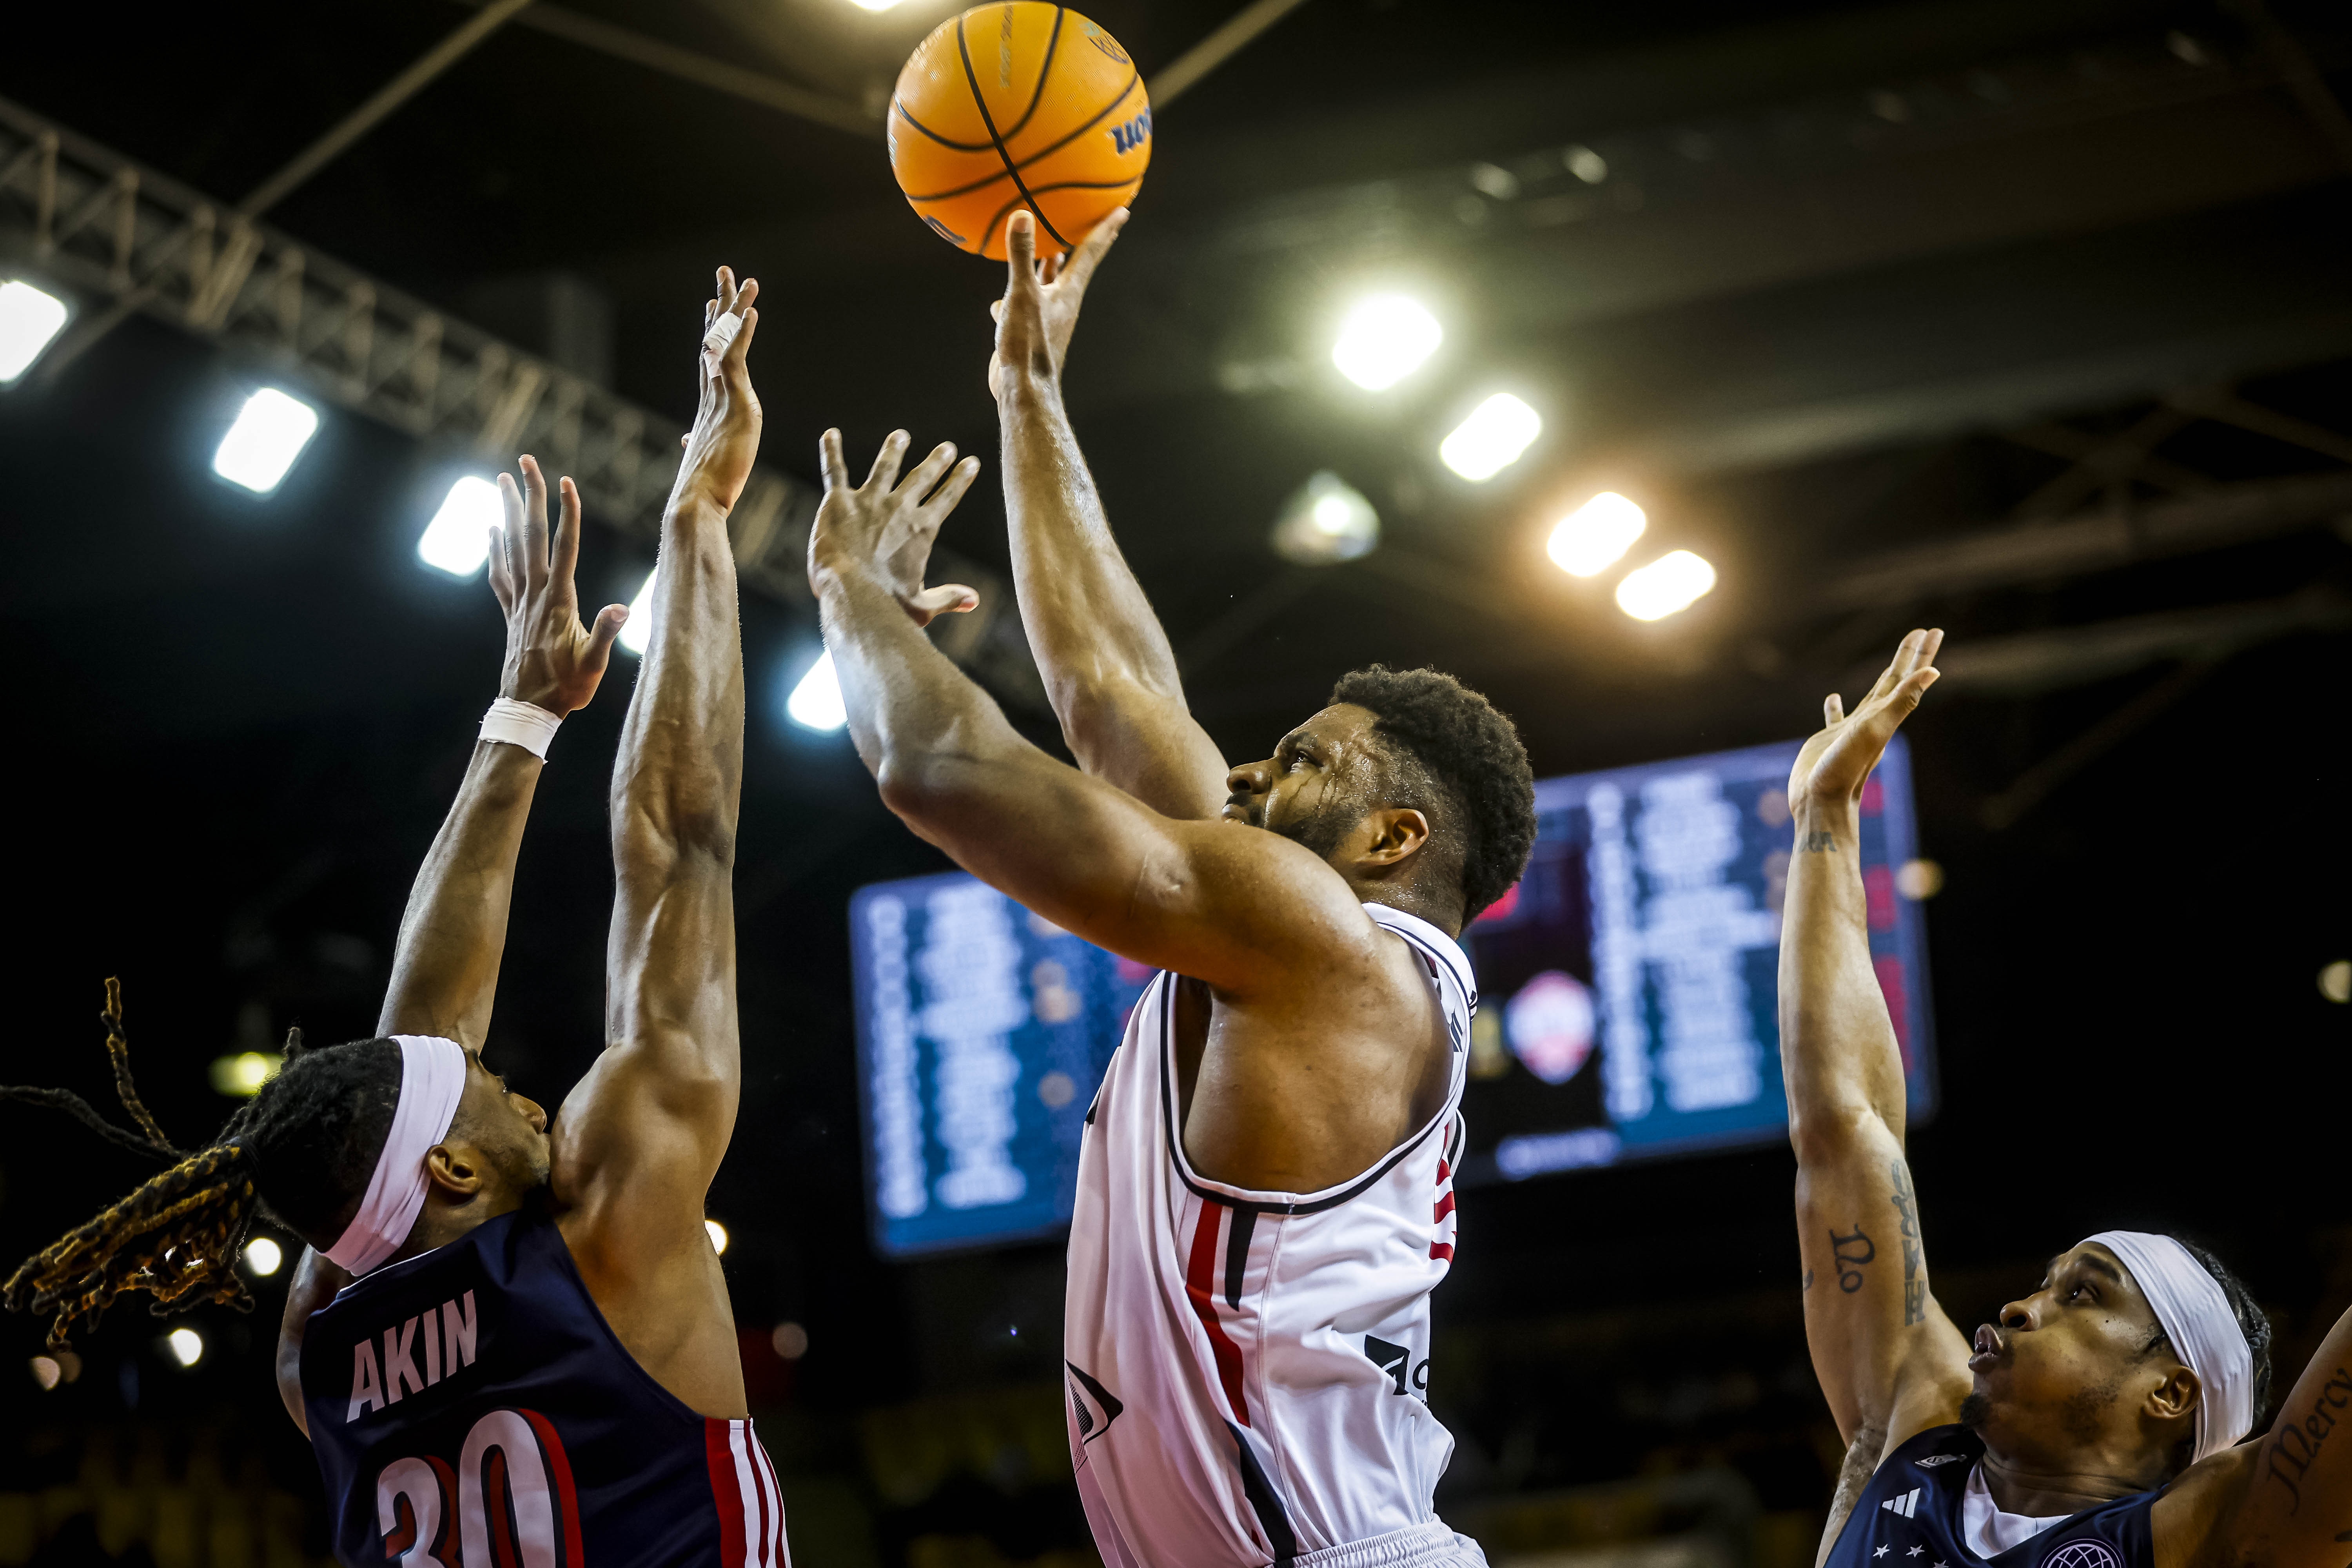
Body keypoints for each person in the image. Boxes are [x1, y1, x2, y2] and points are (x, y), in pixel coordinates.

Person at [4, 269, 781, 1568]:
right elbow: (678, 851)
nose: (528, 1096)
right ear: (454, 1172)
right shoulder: (617, 1233)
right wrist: (699, 526)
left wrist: (523, 718)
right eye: (493, 1096)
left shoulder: (326, 1346)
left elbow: (412, 1062)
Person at [808, 207, 1534, 1568]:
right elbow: (1114, 694)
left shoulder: (1313, 936)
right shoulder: (1302, 941)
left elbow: (937, 767)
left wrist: (849, 594)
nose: (1251, 773)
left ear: (1389, 838)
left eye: (1301, 761)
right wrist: (1029, 396)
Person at [1779, 627, 2351, 1568]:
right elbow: (1846, 1126)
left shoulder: (2217, 1532)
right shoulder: (1915, 1423)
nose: (2016, 1306)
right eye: (2049, 1282)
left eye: (2083, 1294)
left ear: (2171, 1390)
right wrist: (1826, 817)